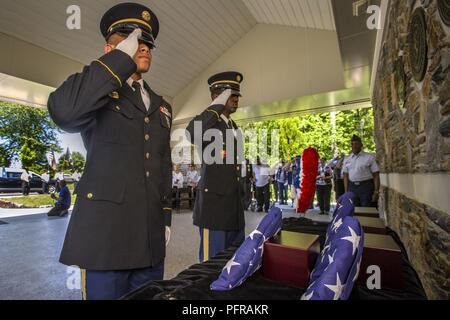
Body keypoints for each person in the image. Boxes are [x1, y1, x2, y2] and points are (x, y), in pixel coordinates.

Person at [47, 3, 172, 300]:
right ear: (110, 48)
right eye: (131, 41)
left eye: (146, 44)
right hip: (106, 239)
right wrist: (119, 60)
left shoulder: (161, 104)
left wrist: (165, 219)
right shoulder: (99, 89)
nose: (142, 48)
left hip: (150, 240)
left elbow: (162, 165)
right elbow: (64, 112)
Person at [186, 71, 246, 263]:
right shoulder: (209, 124)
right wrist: (215, 108)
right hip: (215, 210)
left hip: (234, 210)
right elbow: (191, 133)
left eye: (237, 95)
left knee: (233, 265)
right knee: (210, 268)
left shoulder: (234, 128)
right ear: (216, 96)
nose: (235, 99)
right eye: (230, 95)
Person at [343, 135, 380, 207]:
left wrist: (376, 191)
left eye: (356, 144)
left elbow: (376, 175)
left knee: (367, 210)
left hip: (366, 187)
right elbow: (345, 176)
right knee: (353, 210)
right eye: (352, 144)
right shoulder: (347, 159)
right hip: (352, 187)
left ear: (361, 145)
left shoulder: (369, 157)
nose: (354, 146)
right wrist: (346, 192)